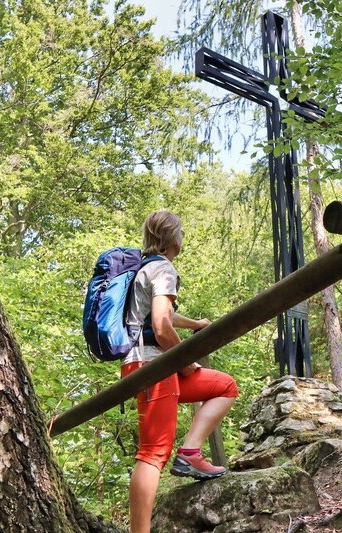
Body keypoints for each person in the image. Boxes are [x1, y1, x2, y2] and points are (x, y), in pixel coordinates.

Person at [121, 210, 238, 533]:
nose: (182, 238)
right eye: (181, 233)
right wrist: (184, 360)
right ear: (173, 238)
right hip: (152, 366)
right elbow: (160, 326)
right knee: (153, 452)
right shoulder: (164, 269)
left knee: (224, 386)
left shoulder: (144, 268)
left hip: (148, 366)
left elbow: (163, 315)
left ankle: (189, 452)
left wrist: (196, 324)